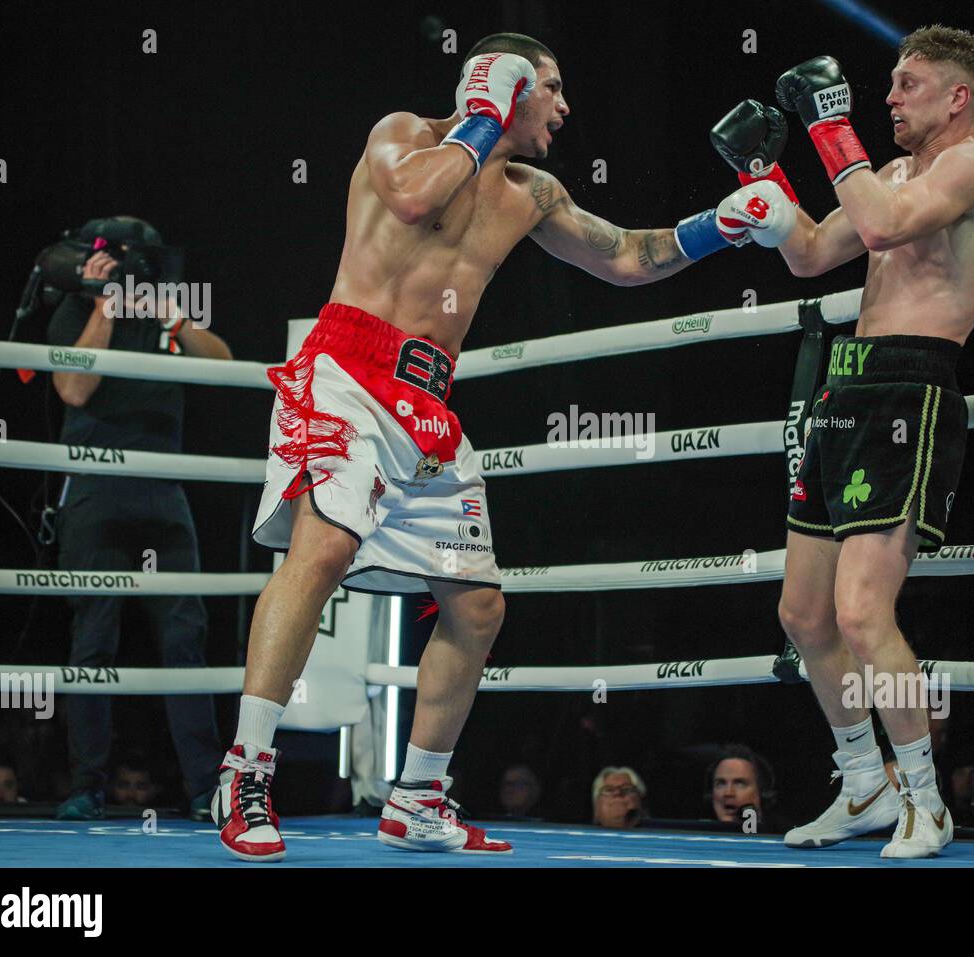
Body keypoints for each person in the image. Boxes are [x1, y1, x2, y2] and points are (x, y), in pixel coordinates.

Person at [217, 32, 763, 861]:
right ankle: (245, 771)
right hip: (348, 368)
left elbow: (622, 255)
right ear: (503, 83)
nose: (565, 106)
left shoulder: (533, 191)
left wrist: (717, 228)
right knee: (322, 549)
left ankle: (416, 798)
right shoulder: (404, 135)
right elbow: (408, 199)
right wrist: (480, 111)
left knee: (476, 607)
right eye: (550, 85)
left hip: (429, 400)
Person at [712, 25, 974, 858]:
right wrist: (760, 175)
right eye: (886, 83)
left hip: (911, 388)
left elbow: (883, 230)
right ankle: (865, 781)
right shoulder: (885, 174)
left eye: (908, 83)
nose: (888, 97)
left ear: (958, 96)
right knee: (804, 613)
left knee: (861, 611)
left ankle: (926, 798)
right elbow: (811, 253)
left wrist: (825, 128)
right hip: (845, 386)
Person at [48, 216, 229, 822]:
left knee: (185, 640)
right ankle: (85, 785)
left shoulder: (167, 315)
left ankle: (206, 787)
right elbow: (73, 389)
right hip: (97, 485)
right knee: (93, 640)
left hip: (163, 486)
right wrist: (104, 304)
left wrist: (170, 315)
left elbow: (225, 365)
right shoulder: (76, 310)